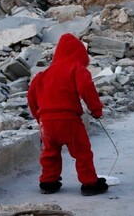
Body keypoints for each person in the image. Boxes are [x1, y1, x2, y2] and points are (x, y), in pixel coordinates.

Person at [27, 33, 108, 197]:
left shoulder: (44, 74)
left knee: (50, 152)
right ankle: (89, 183)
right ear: (80, 55)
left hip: (47, 122)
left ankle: (48, 182)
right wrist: (96, 110)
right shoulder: (76, 68)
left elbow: (31, 95)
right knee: (82, 151)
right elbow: (86, 87)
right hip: (69, 120)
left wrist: (39, 117)